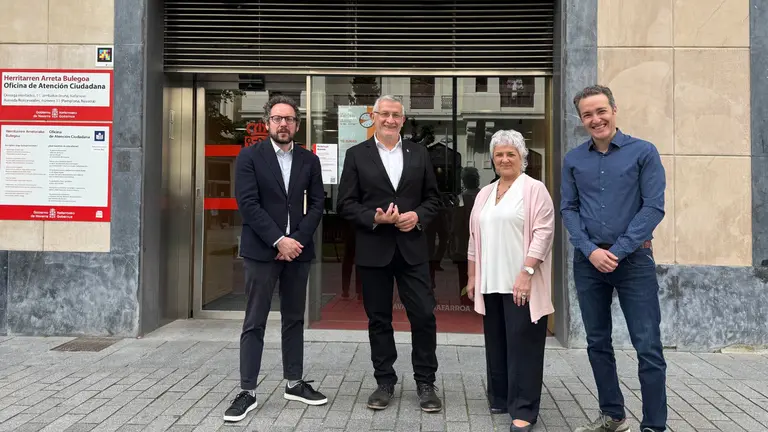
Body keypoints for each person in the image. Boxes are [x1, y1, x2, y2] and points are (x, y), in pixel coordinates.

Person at [561, 85, 667, 432]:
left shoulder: (644, 152)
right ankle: (613, 415)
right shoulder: (574, 159)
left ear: (614, 110)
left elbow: (653, 208)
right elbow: (569, 208)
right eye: (587, 115)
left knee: (647, 345)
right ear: (581, 120)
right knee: (597, 342)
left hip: (634, 261)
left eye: (600, 111)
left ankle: (654, 426)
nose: (595, 119)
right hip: (589, 263)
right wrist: (591, 250)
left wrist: (617, 251)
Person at [336, 95, 443, 413]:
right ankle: (385, 381)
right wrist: (374, 218)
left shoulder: (419, 153)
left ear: (403, 119)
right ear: (375, 116)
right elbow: (345, 203)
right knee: (379, 319)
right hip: (374, 249)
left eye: (396, 115)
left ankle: (425, 382)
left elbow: (434, 199)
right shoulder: (357, 155)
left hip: (412, 250)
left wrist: (418, 216)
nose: (390, 120)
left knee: (423, 315)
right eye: (385, 114)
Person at [225, 95, 327, 423]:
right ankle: (247, 391)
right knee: (254, 321)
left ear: (297, 125)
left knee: (294, 319)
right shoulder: (249, 157)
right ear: (267, 122)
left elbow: (317, 205)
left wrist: (295, 240)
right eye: (277, 118)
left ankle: (294, 383)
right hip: (262, 251)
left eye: (289, 119)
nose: (284, 124)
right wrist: (278, 240)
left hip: (298, 252)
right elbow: (248, 204)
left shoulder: (309, 161)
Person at [466, 130, 555, 432]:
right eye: (499, 154)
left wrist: (527, 273)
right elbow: (473, 239)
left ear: (522, 158)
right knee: (498, 344)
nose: (504, 159)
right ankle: (501, 397)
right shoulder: (485, 193)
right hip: (490, 283)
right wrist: (471, 277)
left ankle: (524, 409)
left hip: (521, 284)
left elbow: (544, 233)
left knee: (524, 347)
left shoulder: (534, 189)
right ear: (492, 159)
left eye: (511, 154)